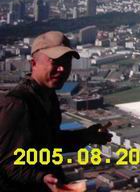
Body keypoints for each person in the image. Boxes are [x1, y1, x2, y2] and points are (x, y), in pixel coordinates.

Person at [0, 31, 112, 191]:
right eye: (55, 62)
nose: (62, 69)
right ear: (33, 64)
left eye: (67, 63)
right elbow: (6, 163)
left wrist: (86, 136)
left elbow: (49, 143)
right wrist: (41, 177)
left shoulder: (48, 96)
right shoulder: (17, 105)